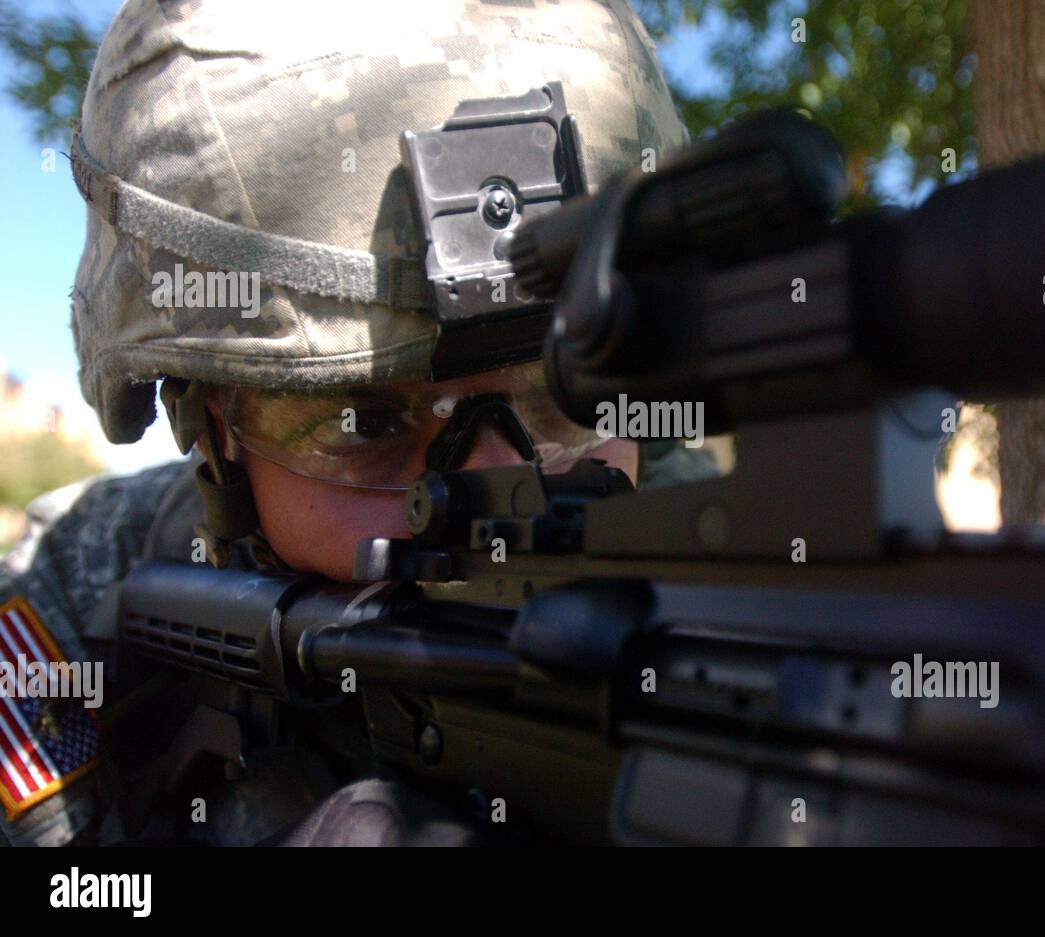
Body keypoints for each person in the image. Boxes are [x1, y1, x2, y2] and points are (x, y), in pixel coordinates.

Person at [0, 0, 712, 846]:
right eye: (365, 422)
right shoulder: (68, 615)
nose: (501, 491)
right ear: (210, 430)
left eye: (572, 391)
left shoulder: (748, 606)